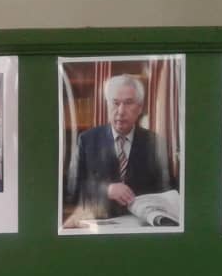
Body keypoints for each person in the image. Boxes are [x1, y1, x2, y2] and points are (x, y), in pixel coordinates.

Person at [66, 74, 176, 226]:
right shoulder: (87, 140)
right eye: (115, 103)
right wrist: (106, 190)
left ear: (140, 108)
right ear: (107, 105)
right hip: (98, 222)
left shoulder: (156, 143)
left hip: (142, 225)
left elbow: (167, 191)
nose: (121, 111)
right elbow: (72, 190)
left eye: (128, 103)